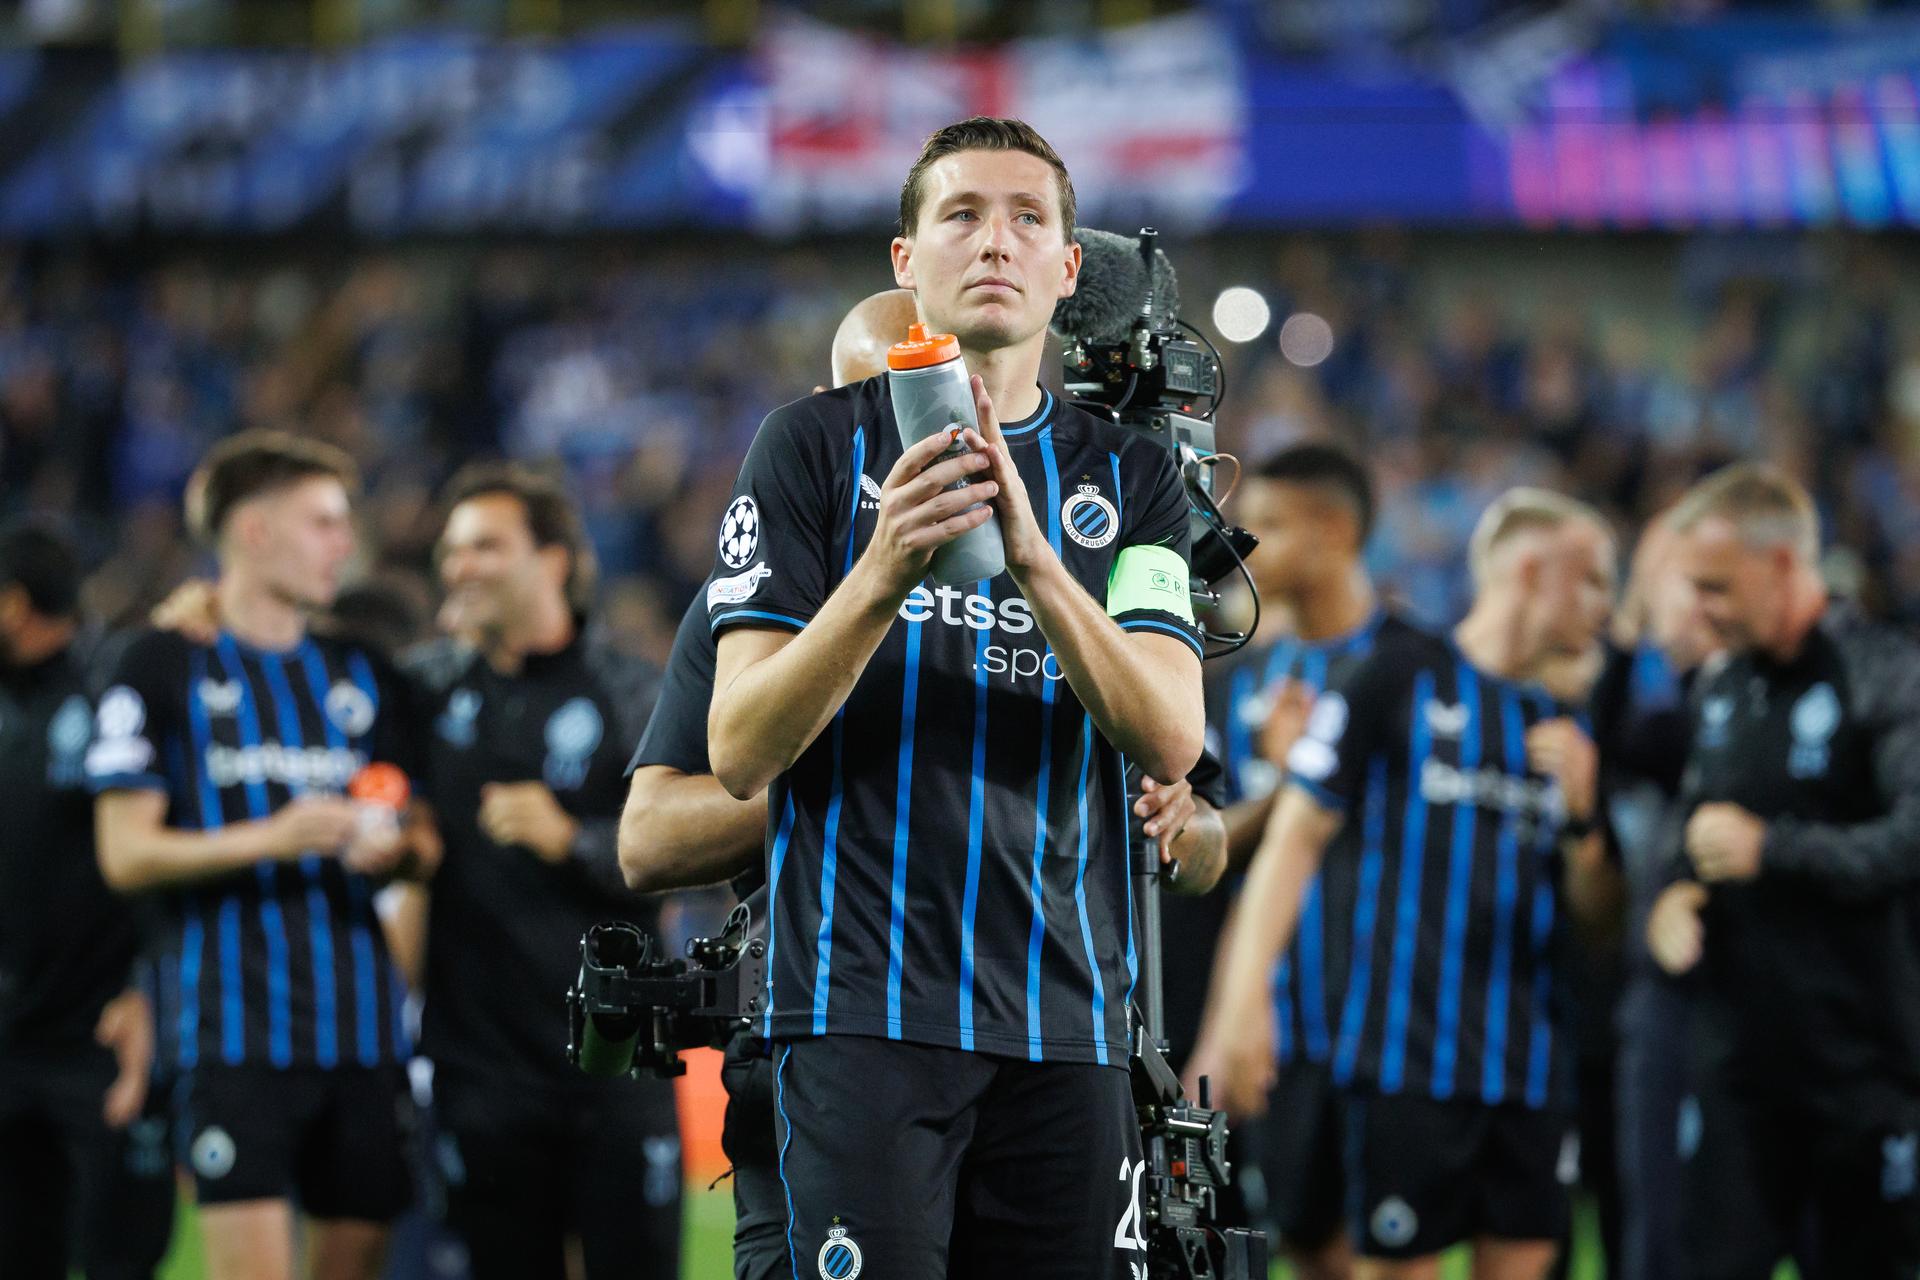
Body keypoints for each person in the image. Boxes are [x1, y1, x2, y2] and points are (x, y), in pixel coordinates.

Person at [620, 285, 1227, 1278]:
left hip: (1047, 1031)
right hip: (838, 1015)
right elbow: (651, 836)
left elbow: (1203, 833)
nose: (933, 445)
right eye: (900, 402)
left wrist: (1177, 820)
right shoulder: (764, 589)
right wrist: (861, 780)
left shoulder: (1087, 577)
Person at [1203, 488, 1617, 1280]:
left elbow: (1598, 920)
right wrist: (1245, 1001)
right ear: (1532, 569)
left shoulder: (1564, 724)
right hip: (1406, 1063)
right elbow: (1293, 841)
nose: (1606, 603)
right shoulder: (1398, 676)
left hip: (1532, 1068)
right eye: (1592, 578)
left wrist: (1587, 823)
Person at [88, 430, 437, 1280]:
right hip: (232, 1038)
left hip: (364, 1041)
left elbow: (426, 837)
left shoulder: (364, 673)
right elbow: (125, 853)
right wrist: (271, 839)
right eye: (322, 522)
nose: (343, 543)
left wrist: (395, 855)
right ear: (253, 532)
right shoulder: (160, 665)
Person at [404, 461, 680, 1279]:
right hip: (478, 1077)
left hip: (615, 1068)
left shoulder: (631, 691)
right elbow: (332, 662)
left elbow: (684, 856)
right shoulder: (424, 691)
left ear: (554, 560)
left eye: (486, 546)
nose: (459, 567)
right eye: (453, 551)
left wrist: (573, 839)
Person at [1645, 464, 1920, 1279]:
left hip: (1865, 1065)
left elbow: (1912, 841)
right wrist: (1673, 893)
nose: (1699, 610)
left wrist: (1775, 850)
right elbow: (1694, 823)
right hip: (1738, 1069)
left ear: (1784, 565)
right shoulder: (1723, 685)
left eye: (1717, 587)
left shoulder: (1887, 676)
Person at [1178, 442, 1405, 1280]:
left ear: (1334, 530)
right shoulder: (1251, 677)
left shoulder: (1408, 671)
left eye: (1269, 524)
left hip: (1382, 1009)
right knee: (1306, 1245)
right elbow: (1212, 847)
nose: (1247, 541)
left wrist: (1301, 775)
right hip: (1278, 1007)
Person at [0, 521, 175, 1280]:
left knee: (117, 1261)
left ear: (11, 604)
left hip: (102, 1040)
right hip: (8, 1044)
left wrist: (148, 989)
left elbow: (161, 861)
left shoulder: (119, 694)